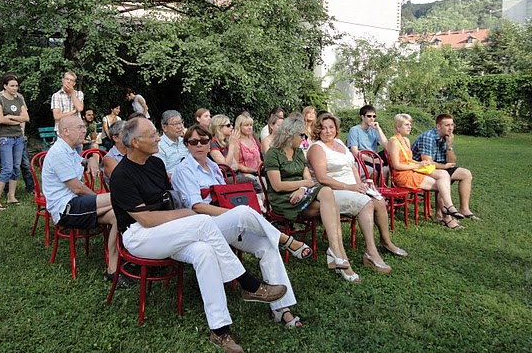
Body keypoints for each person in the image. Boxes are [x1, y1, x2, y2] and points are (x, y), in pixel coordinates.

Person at [110, 118, 288, 353]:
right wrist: (186, 214)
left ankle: (220, 330)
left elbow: (167, 199)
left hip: (168, 229)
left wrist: (183, 216)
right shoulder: (121, 175)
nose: (158, 138)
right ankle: (249, 284)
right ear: (135, 142)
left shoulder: (155, 163)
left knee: (205, 252)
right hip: (139, 236)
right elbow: (146, 219)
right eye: (152, 135)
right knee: (202, 221)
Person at [172, 125, 308, 328]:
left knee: (267, 245)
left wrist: (232, 214)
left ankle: (282, 309)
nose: (199, 145)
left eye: (204, 141)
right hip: (203, 227)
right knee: (243, 212)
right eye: (193, 142)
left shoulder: (213, 166)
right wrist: (232, 214)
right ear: (187, 145)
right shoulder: (184, 170)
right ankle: (286, 239)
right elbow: (197, 206)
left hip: (226, 224)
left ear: (210, 143)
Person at [307, 113, 407, 275]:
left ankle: (386, 242)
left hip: (352, 186)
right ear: (318, 130)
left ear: (336, 129)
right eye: (324, 128)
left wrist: (360, 184)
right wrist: (350, 187)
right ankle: (371, 253)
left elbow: (352, 166)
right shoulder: (317, 148)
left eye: (331, 127)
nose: (328, 131)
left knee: (379, 200)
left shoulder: (339, 143)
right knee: (366, 203)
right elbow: (322, 178)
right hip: (331, 191)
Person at [264, 117, 360, 282]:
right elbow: (278, 186)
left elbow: (309, 180)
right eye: (301, 135)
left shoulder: (298, 152)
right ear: (290, 134)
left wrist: (301, 189)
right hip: (284, 200)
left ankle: (336, 251)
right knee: (332, 205)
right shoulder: (273, 154)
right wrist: (303, 185)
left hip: (301, 195)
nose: (304, 139)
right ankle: (337, 254)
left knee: (327, 194)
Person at [42, 115, 130, 287]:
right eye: (80, 127)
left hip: (77, 203)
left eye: (83, 127)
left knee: (117, 215)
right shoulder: (59, 153)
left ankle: (113, 270)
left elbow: (81, 160)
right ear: (66, 131)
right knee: (122, 198)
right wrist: (98, 199)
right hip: (66, 209)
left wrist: (90, 160)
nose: (85, 131)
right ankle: (139, 250)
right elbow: (78, 189)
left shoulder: (69, 150)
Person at [386, 114, 465, 230]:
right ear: (398, 127)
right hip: (402, 175)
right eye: (407, 125)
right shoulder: (393, 141)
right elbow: (396, 165)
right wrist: (417, 165)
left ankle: (448, 206)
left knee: (443, 174)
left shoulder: (406, 140)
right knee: (441, 185)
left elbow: (408, 159)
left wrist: (420, 163)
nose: (410, 127)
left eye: (410, 124)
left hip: (412, 169)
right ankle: (447, 216)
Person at [412, 114, 480, 221]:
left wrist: (449, 147)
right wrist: (444, 166)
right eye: (447, 125)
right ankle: (441, 215)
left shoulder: (447, 137)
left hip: (440, 167)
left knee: (466, 174)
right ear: (438, 126)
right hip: (421, 169)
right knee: (444, 178)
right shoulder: (428, 137)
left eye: (452, 125)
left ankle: (464, 209)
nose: (450, 128)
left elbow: (452, 161)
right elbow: (427, 162)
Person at [0, 74, 34, 195]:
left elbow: (26, 117)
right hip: (5, 137)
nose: (15, 88)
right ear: (5, 86)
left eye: (16, 86)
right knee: (7, 168)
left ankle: (20, 192)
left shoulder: (19, 98)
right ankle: (0, 195)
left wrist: (11, 118)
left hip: (19, 136)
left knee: (19, 166)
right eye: (12, 85)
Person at [347, 105, 389, 179]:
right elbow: (354, 151)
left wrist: (379, 129)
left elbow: (387, 147)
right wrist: (372, 160)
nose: (372, 118)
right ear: (362, 117)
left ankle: (398, 175)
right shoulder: (354, 130)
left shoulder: (374, 130)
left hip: (374, 156)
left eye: (374, 116)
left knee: (390, 152)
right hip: (362, 158)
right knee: (380, 170)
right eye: (369, 116)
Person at [51, 71, 84, 151]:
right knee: (62, 157)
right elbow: (56, 116)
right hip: (62, 134)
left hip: (76, 133)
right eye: (67, 79)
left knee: (76, 157)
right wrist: (72, 112)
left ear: (74, 83)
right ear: (63, 80)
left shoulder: (79, 94)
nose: (68, 82)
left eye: (71, 80)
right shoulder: (56, 95)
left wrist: (72, 93)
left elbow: (80, 108)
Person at [154, 110, 187, 178]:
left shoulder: (185, 142)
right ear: (164, 127)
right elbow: (162, 173)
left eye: (181, 123)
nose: (180, 127)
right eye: (175, 124)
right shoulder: (159, 146)